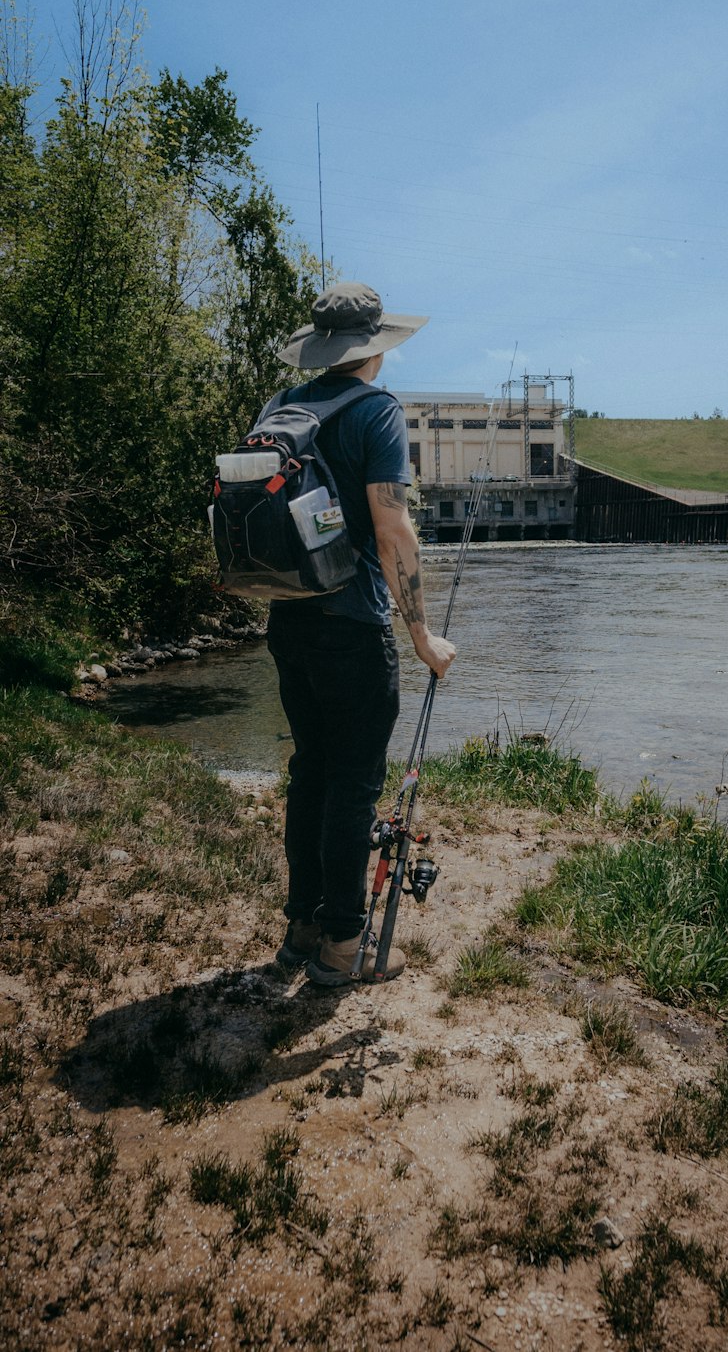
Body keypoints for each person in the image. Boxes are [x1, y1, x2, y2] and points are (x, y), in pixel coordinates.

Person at [266, 282, 456, 986]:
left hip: (287, 619)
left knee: (310, 772)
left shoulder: (280, 407)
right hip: (351, 628)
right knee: (351, 787)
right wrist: (423, 636)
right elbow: (392, 529)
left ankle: (303, 927)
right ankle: (344, 946)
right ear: (374, 348)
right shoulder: (375, 410)